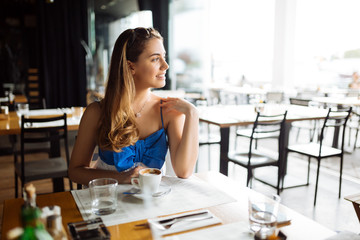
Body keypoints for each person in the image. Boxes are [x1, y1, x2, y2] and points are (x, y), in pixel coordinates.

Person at [69, 27, 199, 185]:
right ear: (131, 66)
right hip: (110, 203)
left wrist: (192, 114)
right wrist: (121, 178)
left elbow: (183, 172)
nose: (165, 65)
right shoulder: (97, 112)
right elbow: (75, 172)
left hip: (153, 204)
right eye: (155, 59)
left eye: (163, 57)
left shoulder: (168, 111)